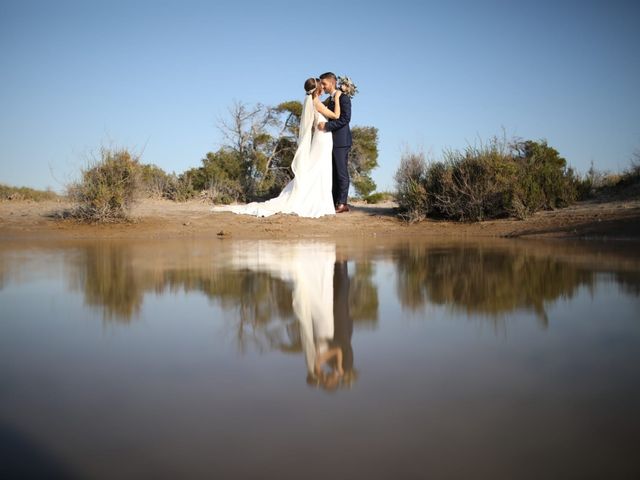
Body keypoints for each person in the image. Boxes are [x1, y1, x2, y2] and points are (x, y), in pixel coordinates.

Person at [210, 77, 340, 218]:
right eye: (321, 84)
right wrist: (338, 97)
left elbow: (323, 110)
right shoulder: (315, 102)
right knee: (319, 168)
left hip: (321, 138)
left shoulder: (313, 101)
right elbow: (336, 115)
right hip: (322, 139)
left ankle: (320, 200)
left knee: (318, 169)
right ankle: (319, 202)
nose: (323, 86)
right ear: (318, 88)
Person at [317, 72, 352, 213]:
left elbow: (345, 119)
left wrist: (326, 126)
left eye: (324, 84)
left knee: (341, 173)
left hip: (341, 141)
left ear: (332, 83)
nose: (322, 86)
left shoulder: (343, 98)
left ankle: (342, 203)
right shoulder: (330, 100)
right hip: (330, 142)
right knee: (333, 173)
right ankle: (333, 202)